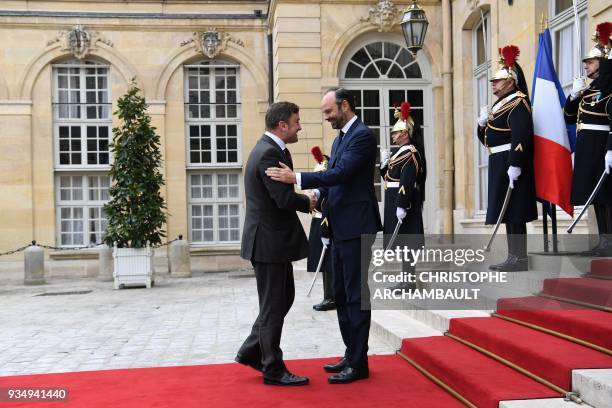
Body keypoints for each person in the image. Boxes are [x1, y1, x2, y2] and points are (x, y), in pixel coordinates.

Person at [266, 87, 382, 384]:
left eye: (329, 111)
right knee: (341, 294)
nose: (326, 117)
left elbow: (342, 173)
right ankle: (351, 352)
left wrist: (298, 179)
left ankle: (359, 363)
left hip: (357, 226)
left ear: (345, 106)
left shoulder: (362, 136)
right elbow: (336, 179)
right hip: (340, 225)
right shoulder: (342, 136)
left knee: (356, 296)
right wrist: (317, 192)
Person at [236, 101, 316, 386]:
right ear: (282, 125)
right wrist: (308, 201)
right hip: (268, 242)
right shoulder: (269, 153)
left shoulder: (271, 149)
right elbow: (282, 199)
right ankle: (272, 367)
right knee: (273, 305)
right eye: (296, 122)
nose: (300, 127)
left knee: (283, 299)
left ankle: (251, 351)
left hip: (272, 241)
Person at [477, 45, 537, 271]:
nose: (493, 83)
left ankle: (519, 257)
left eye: (498, 80)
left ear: (510, 82)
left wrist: (515, 163)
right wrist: (481, 124)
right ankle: (513, 255)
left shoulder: (519, 102)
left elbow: (521, 134)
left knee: (515, 210)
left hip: (511, 160)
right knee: (507, 209)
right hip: (498, 161)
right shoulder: (498, 104)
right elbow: (488, 139)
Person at [563, 22, 612, 257]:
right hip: (587, 148)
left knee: (607, 195)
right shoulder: (588, 90)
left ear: (602, 64)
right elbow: (570, 118)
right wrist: (573, 96)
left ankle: (609, 240)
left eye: (590, 62)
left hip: (603, 146)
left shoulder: (610, 88)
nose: (585, 66)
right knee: (597, 196)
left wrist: (611, 149)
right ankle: (604, 240)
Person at [380, 101, 426, 290]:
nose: (393, 135)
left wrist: (402, 204)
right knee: (401, 242)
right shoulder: (399, 152)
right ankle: (405, 279)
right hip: (395, 199)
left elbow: (406, 180)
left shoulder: (410, 152)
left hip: (403, 202)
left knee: (408, 241)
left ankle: (409, 280)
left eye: (396, 132)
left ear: (405, 134)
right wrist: (384, 164)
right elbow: (389, 177)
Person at [307, 147, 336, 311]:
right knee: (323, 262)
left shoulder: (327, 190)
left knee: (328, 262)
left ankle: (331, 297)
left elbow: (326, 207)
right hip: (317, 221)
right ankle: (328, 295)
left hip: (325, 222)